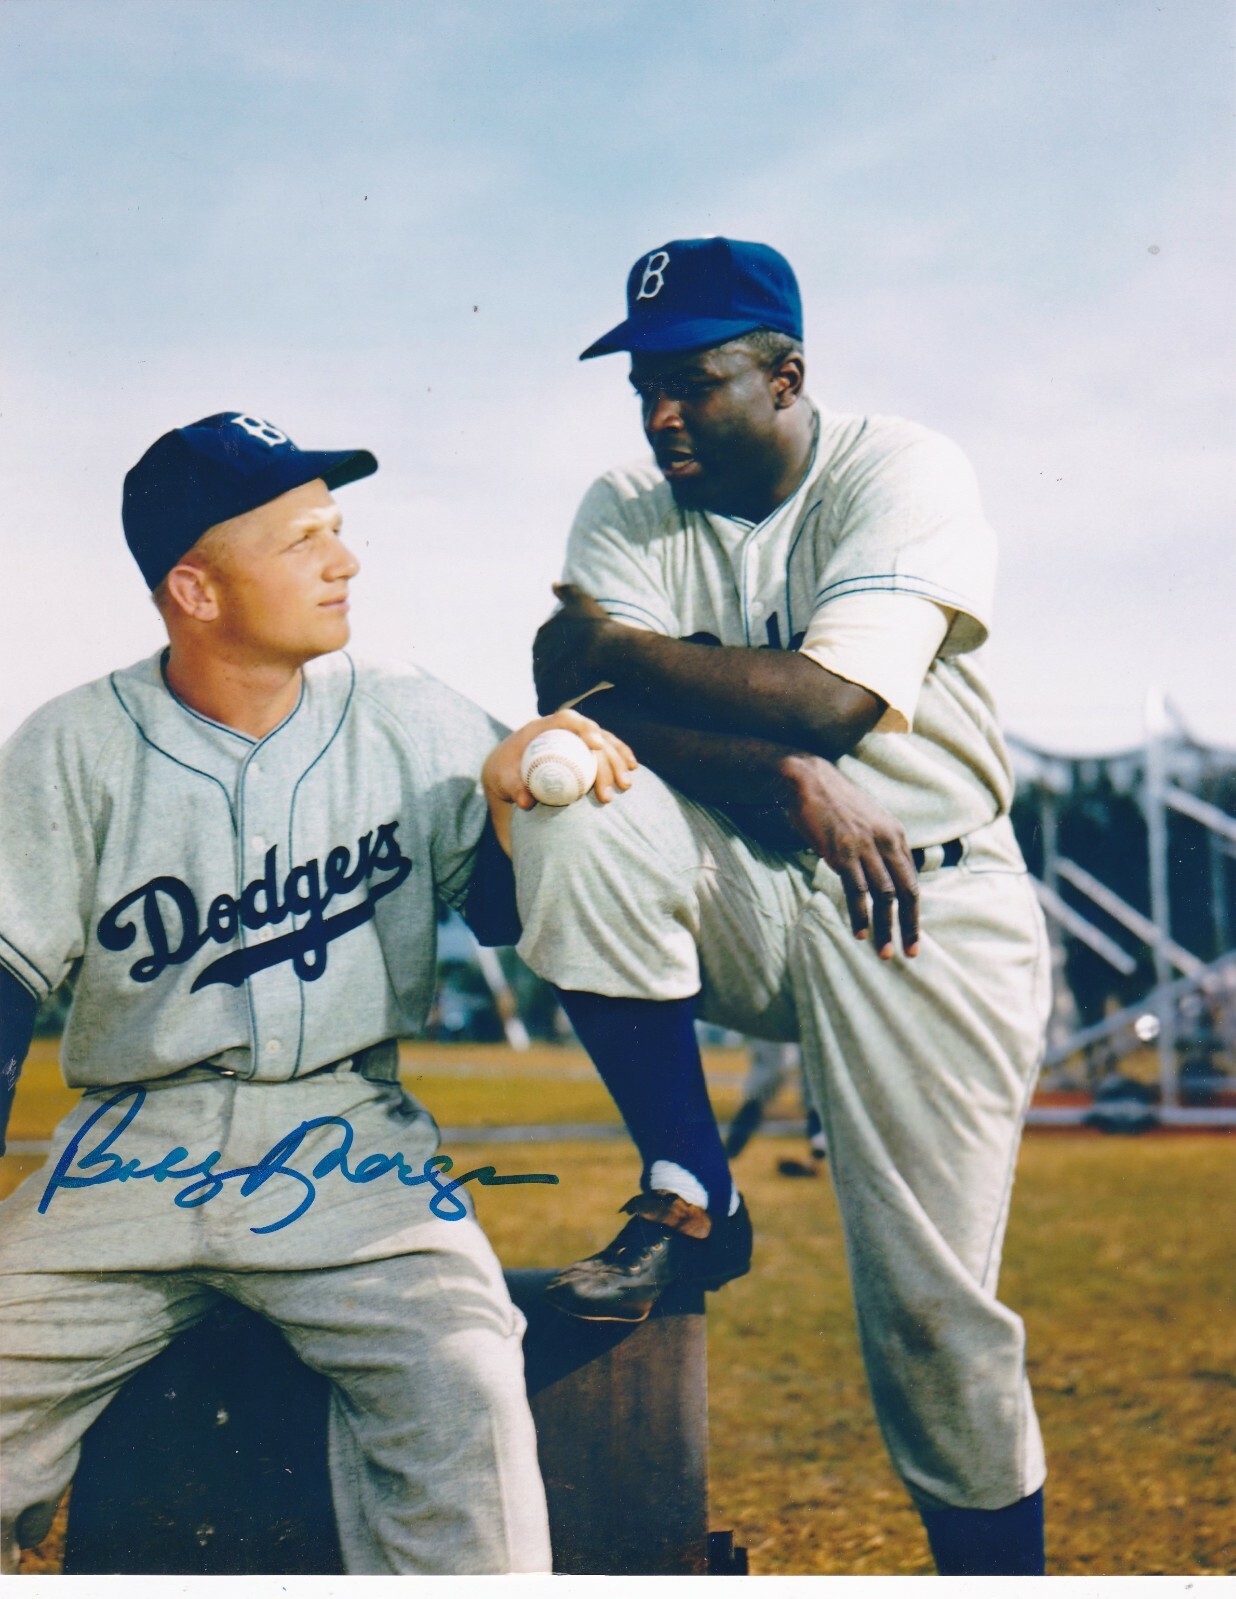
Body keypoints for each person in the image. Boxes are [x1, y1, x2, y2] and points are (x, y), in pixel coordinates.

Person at [0, 410, 634, 1575]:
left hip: (350, 1148)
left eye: (337, 530)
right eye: (303, 541)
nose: (345, 561)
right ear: (196, 590)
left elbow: (509, 916)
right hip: (126, 1154)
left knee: (468, 1391)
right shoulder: (73, 743)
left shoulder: (411, 711)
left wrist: (518, 805)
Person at [508, 239, 1052, 1576]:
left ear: (787, 377)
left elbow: (830, 698)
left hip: (927, 899)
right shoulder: (626, 503)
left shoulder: (898, 469)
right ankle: (692, 1186)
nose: (660, 416)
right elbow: (577, 710)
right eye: (644, 388)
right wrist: (782, 777)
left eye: (692, 384)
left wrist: (616, 650)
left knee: (930, 1313)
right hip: (752, 875)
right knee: (567, 789)